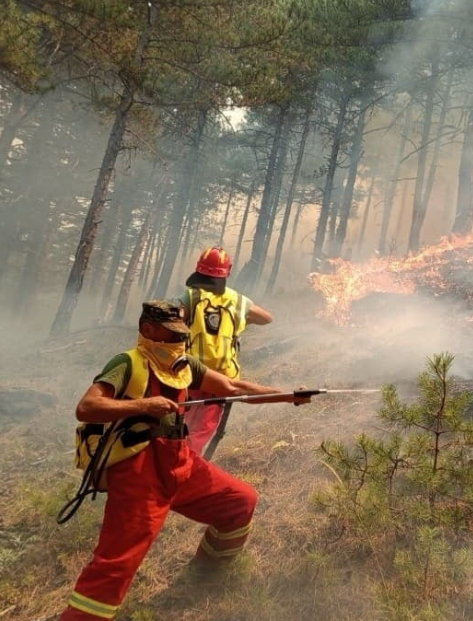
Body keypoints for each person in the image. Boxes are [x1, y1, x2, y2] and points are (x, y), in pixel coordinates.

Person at [59, 300, 309, 621]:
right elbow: (87, 407)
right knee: (116, 563)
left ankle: (205, 575)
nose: (179, 340)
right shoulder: (127, 363)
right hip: (138, 472)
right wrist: (143, 405)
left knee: (239, 501)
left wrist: (289, 395)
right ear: (148, 330)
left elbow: (233, 387)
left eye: (182, 332)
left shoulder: (183, 364)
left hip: (181, 462)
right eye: (171, 332)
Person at [179, 246, 273, 457]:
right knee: (200, 433)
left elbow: (173, 318)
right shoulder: (237, 300)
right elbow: (267, 318)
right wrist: (241, 320)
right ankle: (185, 472)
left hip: (191, 376)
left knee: (177, 429)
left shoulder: (190, 296)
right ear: (227, 272)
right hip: (223, 381)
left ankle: (174, 472)